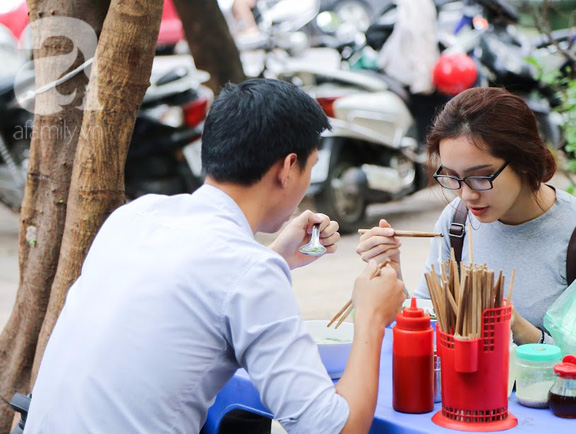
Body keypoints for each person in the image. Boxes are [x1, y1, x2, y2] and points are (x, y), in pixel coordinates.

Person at [25, 79, 405, 433]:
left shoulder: (134, 217)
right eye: (311, 167)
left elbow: (202, 290)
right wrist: (371, 315)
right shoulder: (248, 272)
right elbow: (333, 428)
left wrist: (274, 257)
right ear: (289, 168)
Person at [356, 87, 576, 345]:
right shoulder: (457, 222)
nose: (466, 195)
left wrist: (518, 328)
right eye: (452, 177)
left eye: (480, 177)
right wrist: (393, 276)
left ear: (524, 160)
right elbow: (429, 324)